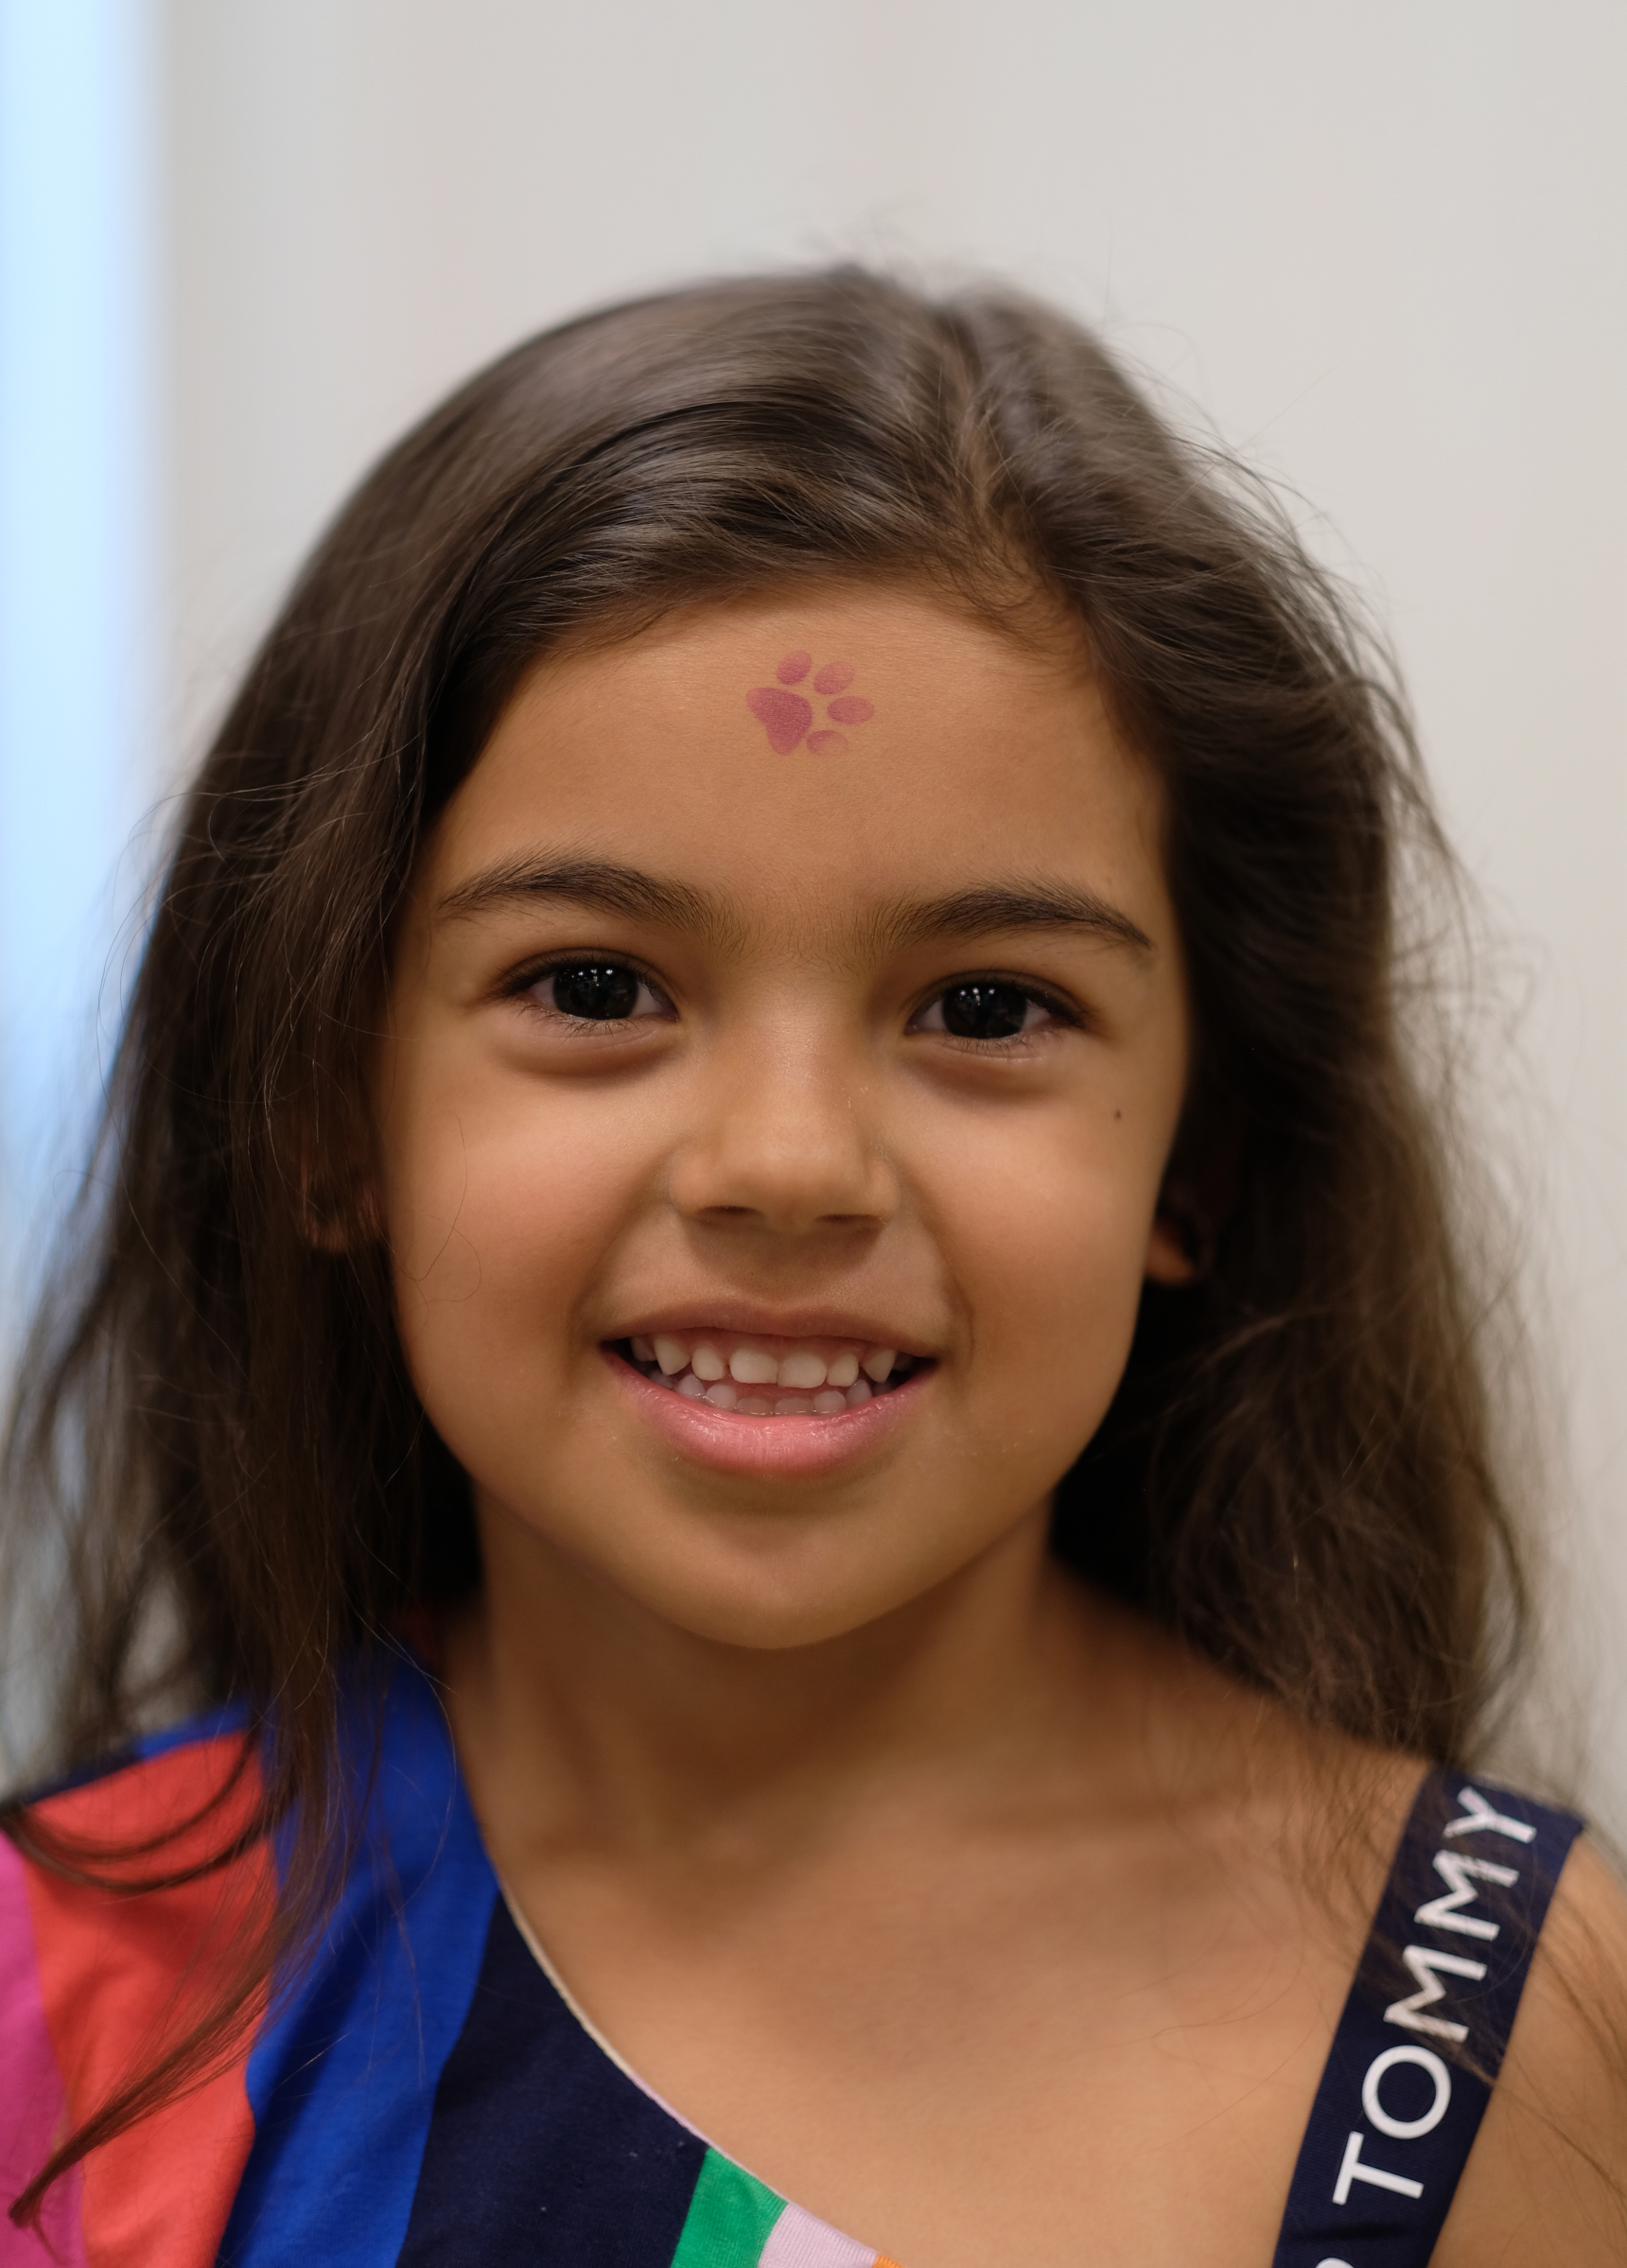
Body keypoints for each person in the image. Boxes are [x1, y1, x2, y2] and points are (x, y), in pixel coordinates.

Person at [1, 269, 1623, 2266]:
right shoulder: (69, 2005)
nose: (787, 1168)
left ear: (1197, 1152)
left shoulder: (1482, 2034)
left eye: (986, 1008)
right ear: (328, 1112)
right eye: (594, 987)